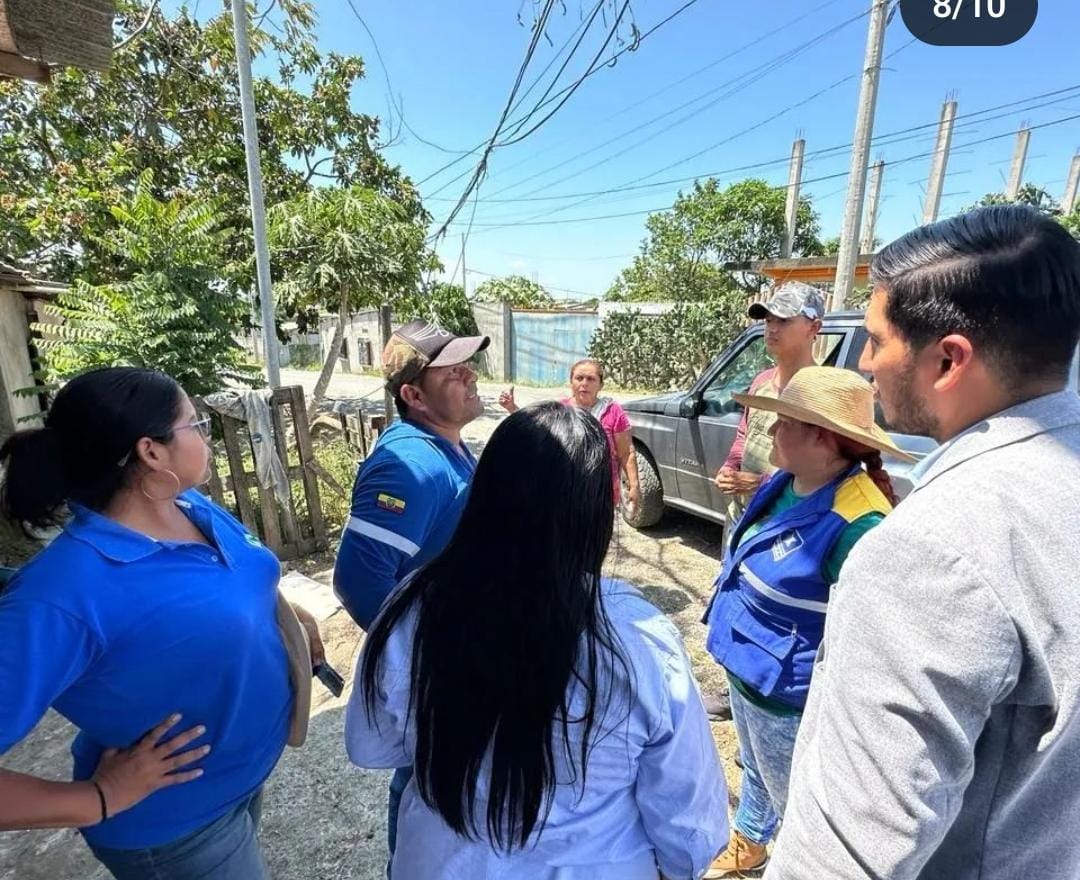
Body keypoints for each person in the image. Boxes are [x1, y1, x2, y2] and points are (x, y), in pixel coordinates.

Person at [765, 206, 1080, 880]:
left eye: (876, 341)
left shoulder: (933, 549)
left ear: (947, 360)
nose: (865, 363)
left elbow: (849, 850)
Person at [346, 402, 729, 880]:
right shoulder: (641, 640)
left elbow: (371, 746)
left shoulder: (412, 606)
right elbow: (690, 828)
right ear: (595, 511)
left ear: (484, 493)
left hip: (438, 863)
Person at [0, 367, 322, 880]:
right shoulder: (61, 596)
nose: (207, 437)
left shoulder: (187, 505)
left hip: (240, 779)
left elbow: (230, 584)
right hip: (177, 832)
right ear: (151, 452)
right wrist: (98, 797)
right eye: (196, 425)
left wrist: (281, 615)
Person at [702, 367, 910, 878]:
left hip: (786, 702)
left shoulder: (860, 525)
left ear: (822, 437)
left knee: (797, 805)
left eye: (785, 423)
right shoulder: (785, 481)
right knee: (753, 766)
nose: (772, 431)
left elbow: (874, 642)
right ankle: (751, 840)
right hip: (747, 672)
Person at [332, 318, 489, 867]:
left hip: (462, 651)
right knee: (424, 780)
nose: (471, 375)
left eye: (468, 364)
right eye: (453, 372)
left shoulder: (445, 447)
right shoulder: (412, 467)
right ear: (414, 396)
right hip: (441, 665)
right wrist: (427, 655)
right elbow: (357, 581)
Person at [714, 282, 826, 527]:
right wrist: (730, 467)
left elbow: (824, 473)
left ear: (814, 327)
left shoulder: (823, 394)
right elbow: (745, 435)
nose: (772, 329)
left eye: (784, 321)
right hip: (741, 516)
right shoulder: (761, 382)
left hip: (783, 525)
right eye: (768, 321)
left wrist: (760, 484)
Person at [498, 358, 641, 514]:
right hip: (564, 493)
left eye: (591, 379)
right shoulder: (559, 410)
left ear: (601, 385)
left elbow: (626, 453)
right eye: (579, 378)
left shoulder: (612, 412)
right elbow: (536, 430)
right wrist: (512, 408)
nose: (584, 383)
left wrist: (634, 486)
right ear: (571, 382)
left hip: (601, 495)